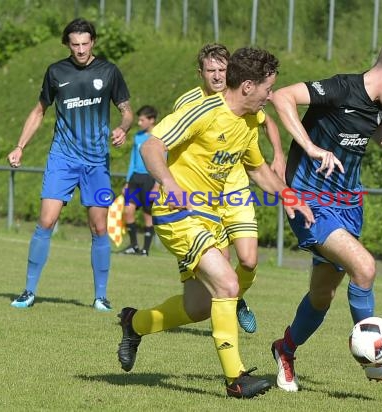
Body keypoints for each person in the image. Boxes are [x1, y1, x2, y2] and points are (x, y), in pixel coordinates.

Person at [116, 47, 314, 399]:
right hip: (176, 212)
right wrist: (171, 183)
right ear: (249, 86)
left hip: (211, 216)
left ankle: (136, 323)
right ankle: (235, 379)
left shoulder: (248, 121)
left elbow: (256, 169)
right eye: (269, 88)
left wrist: (288, 195)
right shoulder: (203, 110)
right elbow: (151, 147)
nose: (271, 96)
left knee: (197, 308)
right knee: (227, 283)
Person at [269, 34, 382, 391]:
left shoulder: (381, 102)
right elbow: (282, 97)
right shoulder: (340, 88)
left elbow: (376, 126)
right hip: (310, 201)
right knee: (365, 267)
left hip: (349, 205)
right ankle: (374, 357)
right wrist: (309, 147)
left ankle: (285, 349)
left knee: (321, 296)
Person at [6, 18, 133, 311]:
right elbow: (39, 111)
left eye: (85, 44)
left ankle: (101, 296)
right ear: (67, 44)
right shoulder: (56, 72)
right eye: (74, 44)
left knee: (100, 228)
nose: (80, 50)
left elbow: (126, 110)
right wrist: (19, 146)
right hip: (62, 158)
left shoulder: (109, 71)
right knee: (46, 221)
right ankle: (28, 291)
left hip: (97, 161)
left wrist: (123, 128)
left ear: (93, 42)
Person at [173, 43, 286, 334]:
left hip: (235, 188)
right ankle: (228, 311)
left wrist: (278, 154)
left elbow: (266, 123)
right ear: (201, 73)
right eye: (210, 70)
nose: (217, 76)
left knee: (248, 260)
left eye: (222, 70)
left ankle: (236, 300)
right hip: (202, 196)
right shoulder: (190, 103)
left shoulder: (243, 102)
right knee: (219, 271)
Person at [120, 105, 158, 256]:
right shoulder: (137, 136)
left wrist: (158, 184)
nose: (139, 123)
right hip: (135, 178)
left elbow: (164, 161)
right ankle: (133, 245)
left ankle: (145, 250)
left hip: (150, 179)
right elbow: (133, 160)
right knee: (128, 209)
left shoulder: (160, 136)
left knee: (147, 213)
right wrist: (128, 181)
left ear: (151, 120)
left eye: (142, 120)